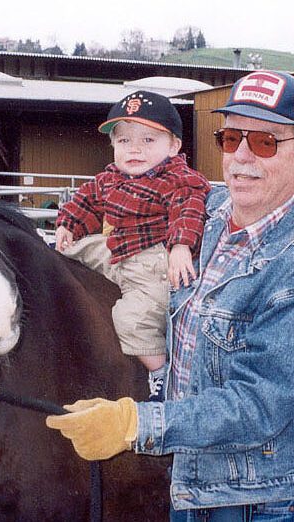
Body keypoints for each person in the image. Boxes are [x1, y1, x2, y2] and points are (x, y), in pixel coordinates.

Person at [46, 70, 294, 521]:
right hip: (190, 492)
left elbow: (257, 407)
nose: (242, 157)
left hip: (259, 505)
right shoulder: (203, 215)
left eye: (266, 142)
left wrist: (135, 423)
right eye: (231, 138)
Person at [54, 90, 211, 401]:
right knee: (67, 252)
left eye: (148, 141)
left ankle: (160, 374)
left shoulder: (177, 179)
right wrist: (67, 225)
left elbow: (188, 209)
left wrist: (180, 246)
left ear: (174, 146)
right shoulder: (111, 177)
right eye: (124, 140)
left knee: (131, 320)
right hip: (118, 250)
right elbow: (86, 199)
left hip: (153, 262)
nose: (134, 149)